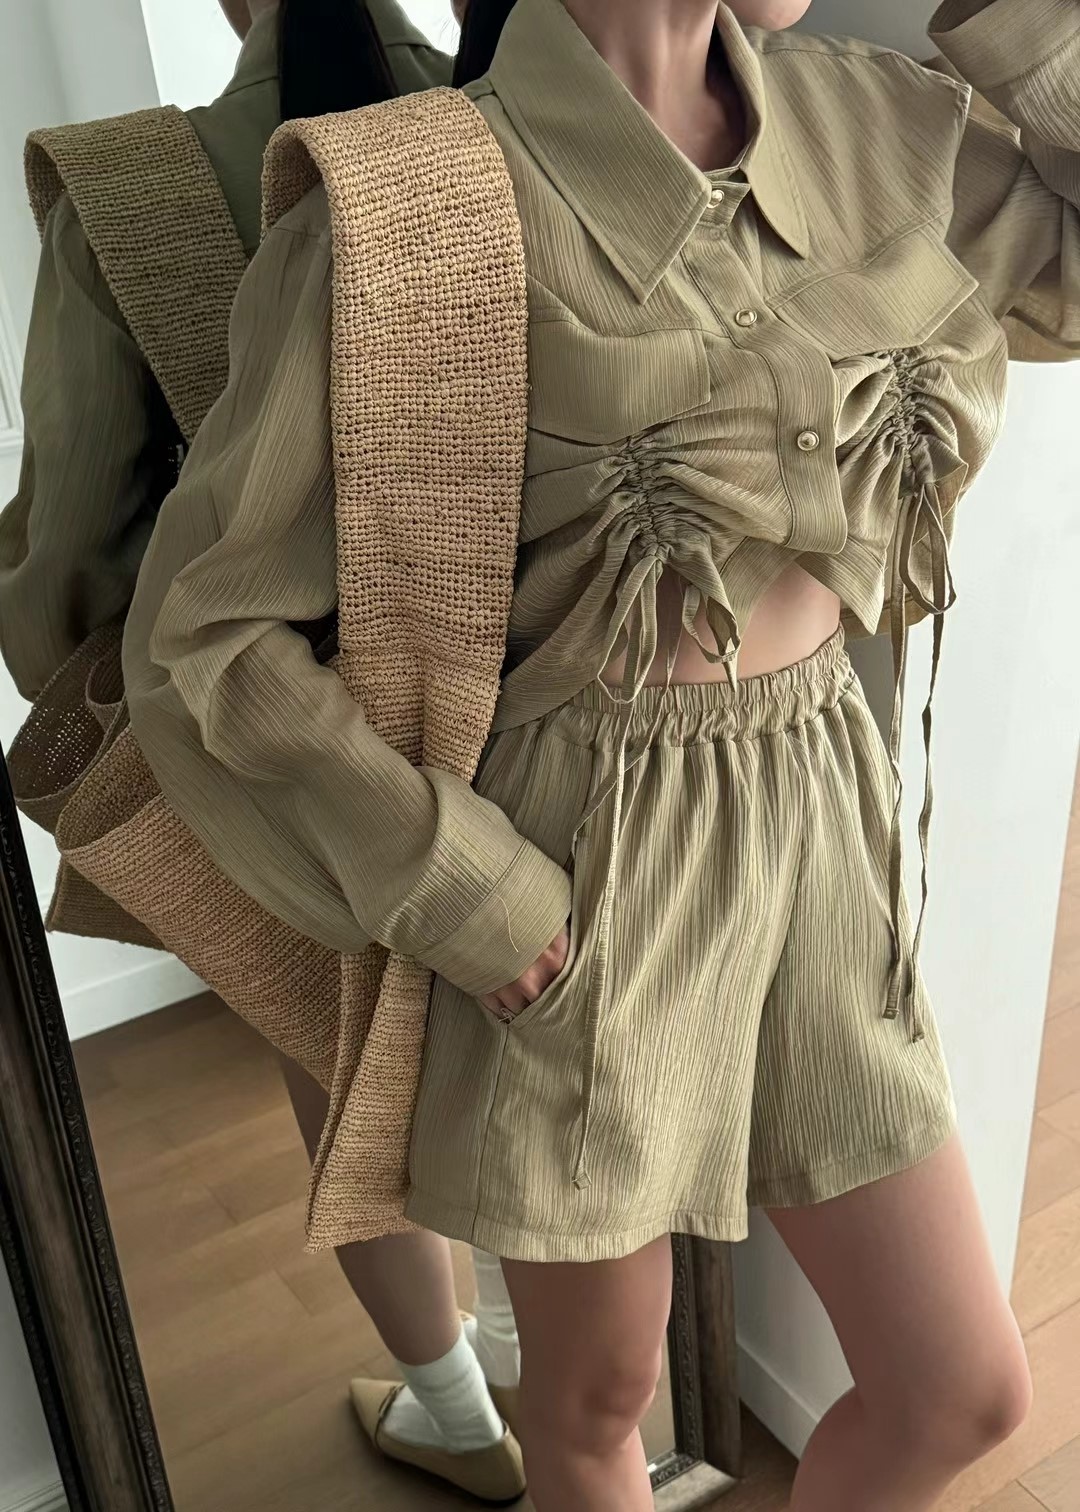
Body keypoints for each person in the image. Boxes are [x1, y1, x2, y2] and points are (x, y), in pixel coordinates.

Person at [119, 0, 1079, 1505]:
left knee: (961, 1387)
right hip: (583, 848)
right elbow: (210, 635)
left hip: (826, 802)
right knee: (596, 1397)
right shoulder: (416, 205)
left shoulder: (874, 124)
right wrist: (467, 890)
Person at [0, 2, 530, 1503]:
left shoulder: (133, 190)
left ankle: (458, 1417)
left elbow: (69, 571)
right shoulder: (533, 105)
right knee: (525, 1054)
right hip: (532, 714)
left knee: (339, 1065)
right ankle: (533, 1363)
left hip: (284, 744)